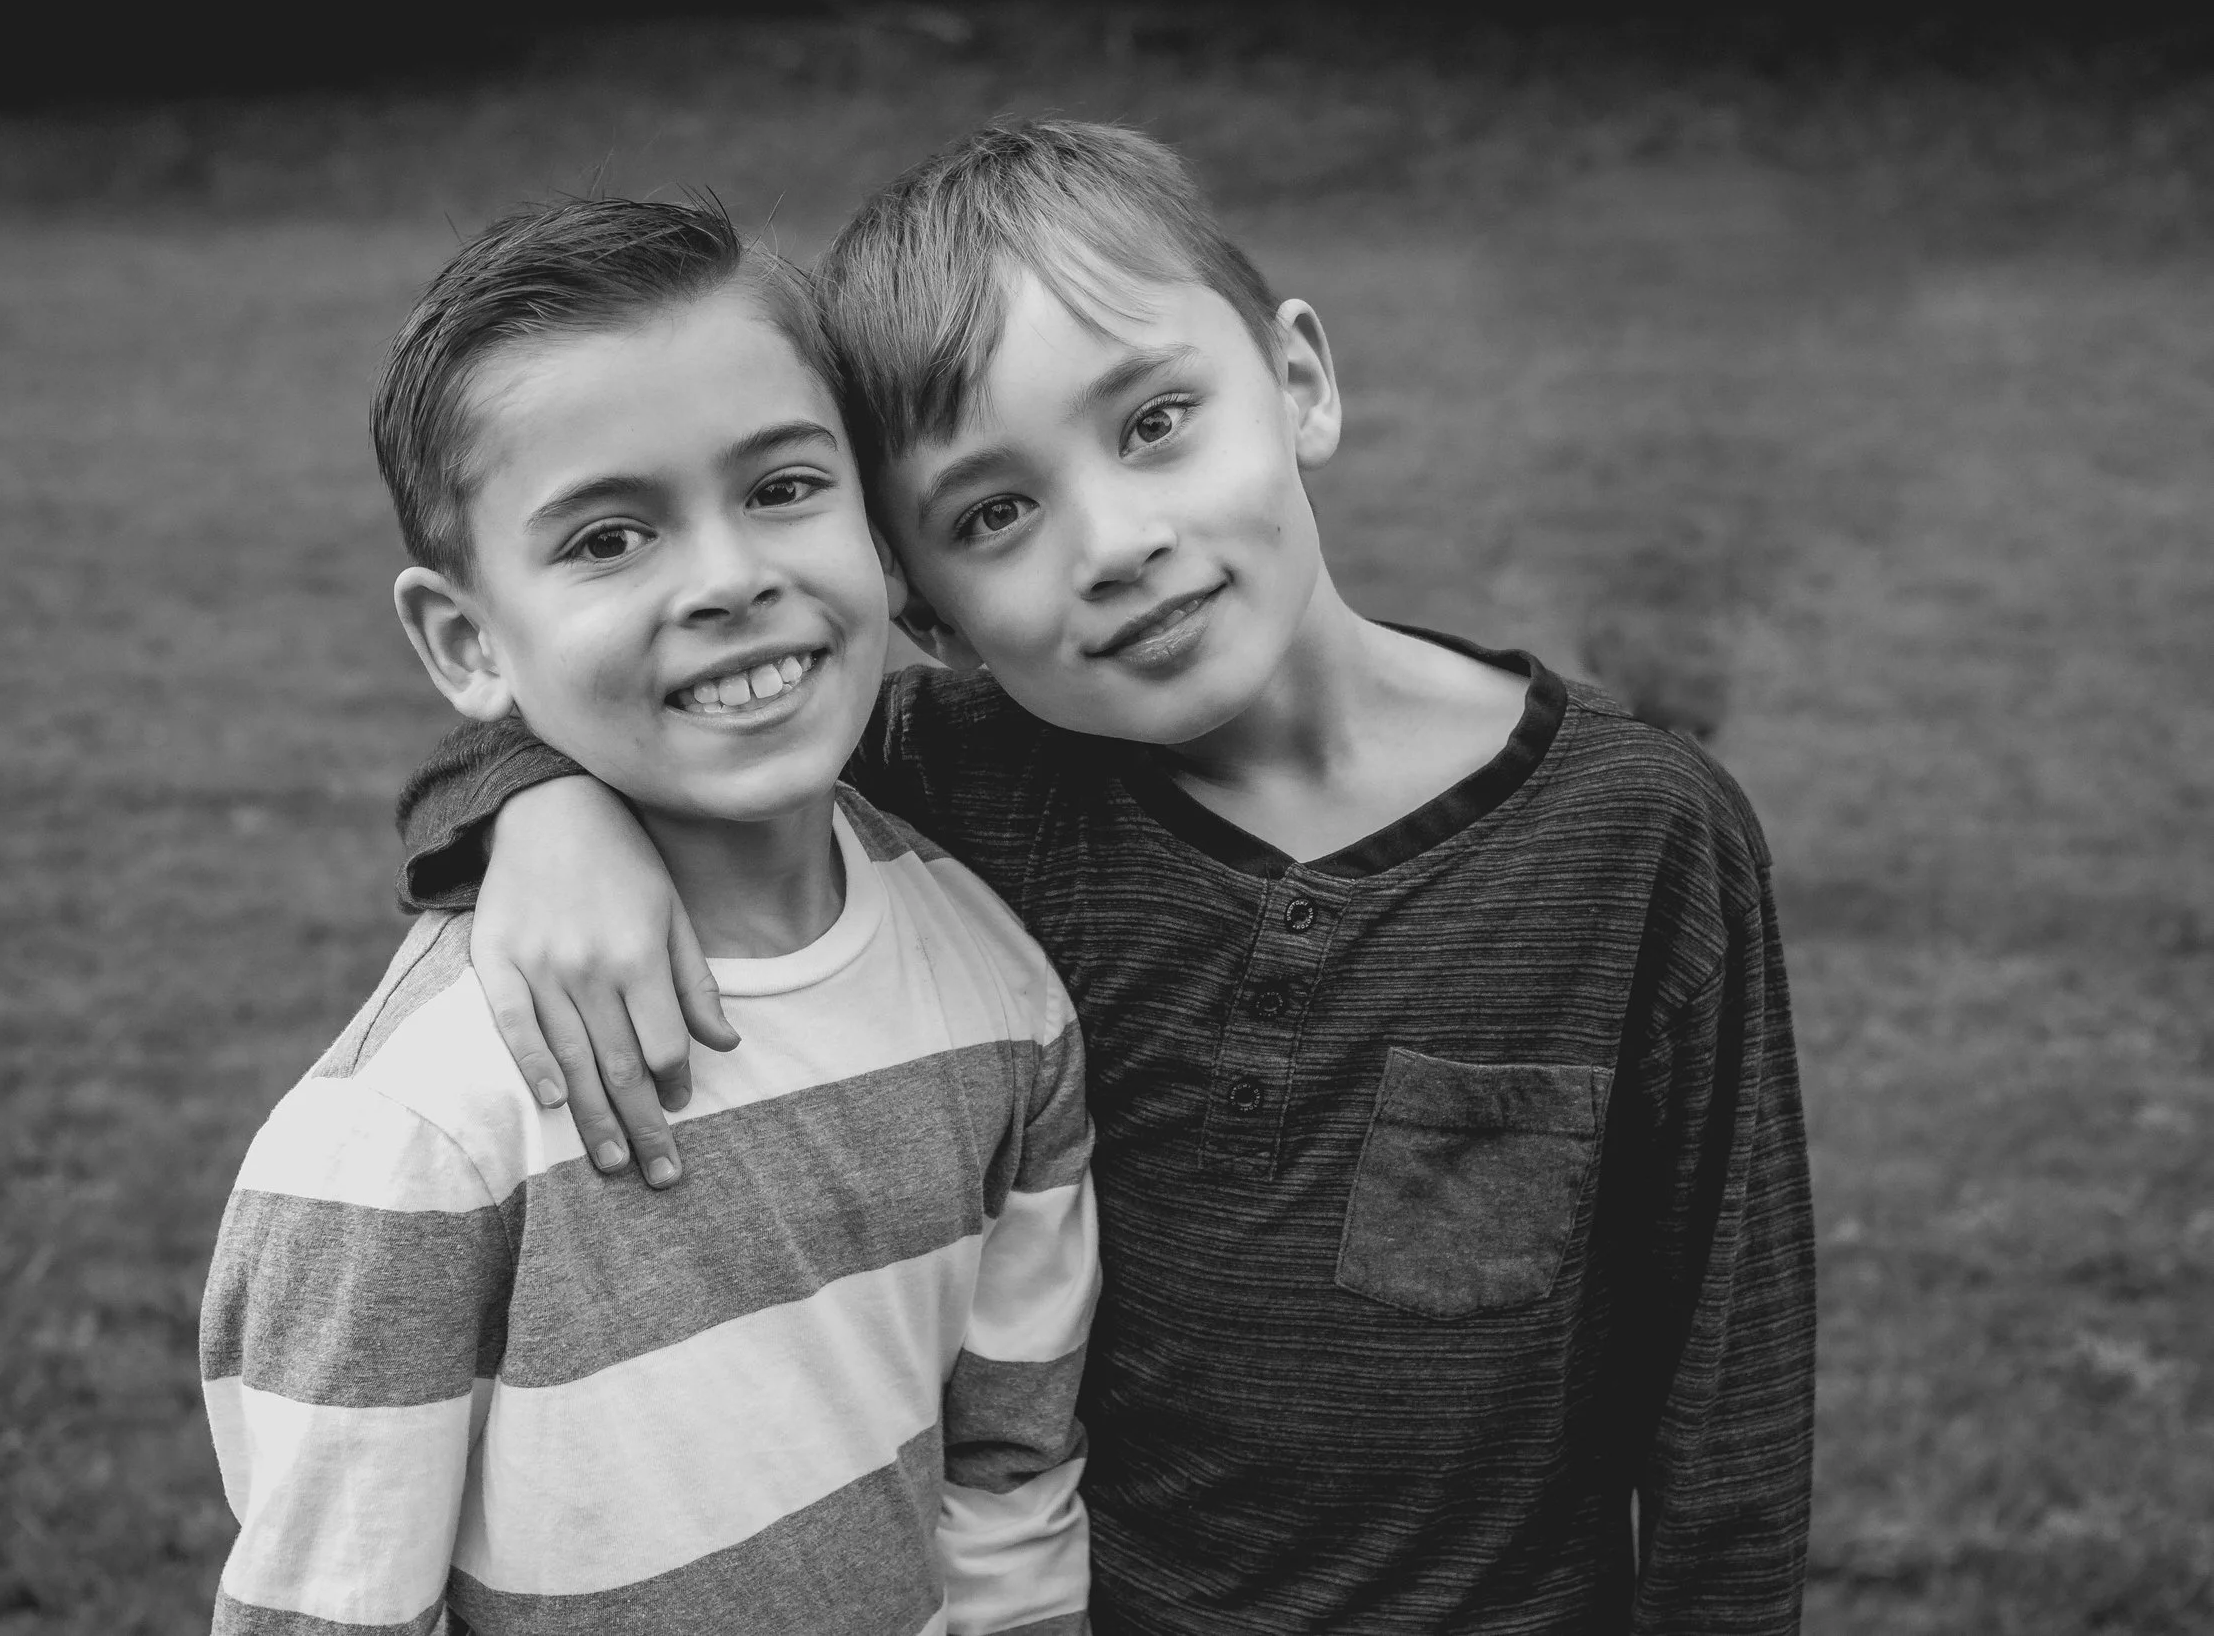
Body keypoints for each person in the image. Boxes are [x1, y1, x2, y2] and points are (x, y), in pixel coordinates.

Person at [393, 122, 1815, 1633]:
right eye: (994, 514)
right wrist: (543, 808)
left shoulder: (1639, 838)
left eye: (1154, 424)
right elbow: (622, 702)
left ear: (1299, 384)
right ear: (918, 605)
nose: (1117, 544)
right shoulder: (953, 777)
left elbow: (1727, 1389)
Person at [199, 196, 1099, 1636]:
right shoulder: (417, 1130)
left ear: (874, 516)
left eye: (784, 487)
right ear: (466, 641)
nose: (730, 576)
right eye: (611, 537)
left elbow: (1012, 1467)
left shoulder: (1000, 990)